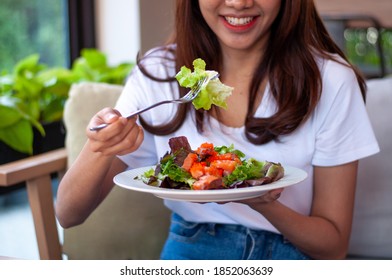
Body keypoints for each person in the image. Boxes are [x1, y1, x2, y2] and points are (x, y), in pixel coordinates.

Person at [55, 0, 379, 260]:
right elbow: (68, 213)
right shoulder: (158, 75)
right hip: (191, 253)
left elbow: (332, 247)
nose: (239, 3)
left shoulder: (331, 80)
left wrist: (262, 202)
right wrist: (100, 144)